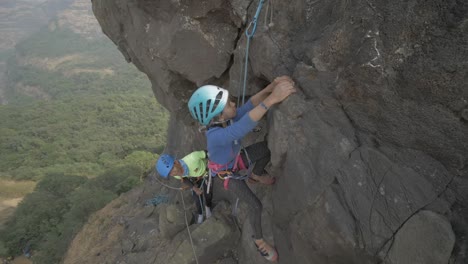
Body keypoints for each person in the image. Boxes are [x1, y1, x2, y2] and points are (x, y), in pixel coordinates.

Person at [187, 76, 296, 262]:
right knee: (255, 206)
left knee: (265, 149)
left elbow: (249, 105)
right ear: (220, 116)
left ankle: (256, 174)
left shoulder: (222, 120)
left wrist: (269, 89)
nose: (233, 103)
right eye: (228, 103)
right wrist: (272, 99)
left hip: (236, 160)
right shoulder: (215, 135)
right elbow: (241, 128)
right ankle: (259, 241)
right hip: (227, 175)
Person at [156, 151, 212, 224]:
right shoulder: (175, 175)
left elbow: (208, 153)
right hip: (194, 178)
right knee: (196, 197)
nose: (173, 173)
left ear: (176, 162)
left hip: (205, 173)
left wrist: (211, 163)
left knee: (208, 193)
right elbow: (185, 179)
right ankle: (200, 214)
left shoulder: (193, 157)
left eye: (172, 169)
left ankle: (208, 208)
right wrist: (195, 189)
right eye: (170, 173)